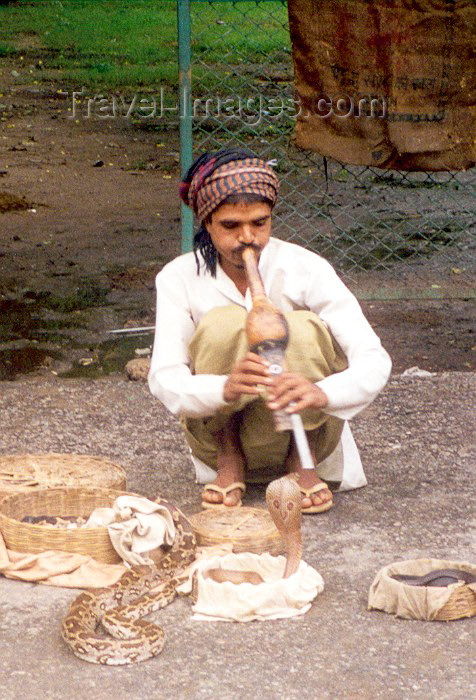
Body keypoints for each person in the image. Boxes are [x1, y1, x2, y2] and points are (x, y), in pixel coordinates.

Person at [148, 148, 391, 513]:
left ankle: (301, 461)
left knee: (302, 326)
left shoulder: (305, 267)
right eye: (230, 226)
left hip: (312, 435)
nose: (248, 238)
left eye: (260, 223)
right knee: (222, 323)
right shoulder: (178, 277)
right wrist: (224, 387)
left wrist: (320, 393)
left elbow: (373, 358)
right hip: (217, 441)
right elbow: (164, 378)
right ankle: (230, 455)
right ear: (207, 224)